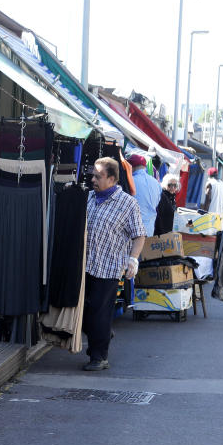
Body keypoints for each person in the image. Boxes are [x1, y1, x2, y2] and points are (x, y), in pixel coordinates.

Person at [82, 157, 145, 371]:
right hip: (85, 265)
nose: (93, 179)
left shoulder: (128, 204)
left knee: (99, 313)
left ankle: (99, 357)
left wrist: (133, 259)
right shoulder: (89, 198)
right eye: (93, 175)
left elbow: (139, 235)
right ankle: (103, 333)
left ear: (112, 178)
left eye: (98, 176)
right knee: (83, 312)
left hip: (108, 268)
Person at [127, 154, 160, 237]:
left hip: (134, 228)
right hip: (149, 228)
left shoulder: (131, 181)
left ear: (131, 166)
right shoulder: (156, 182)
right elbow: (157, 203)